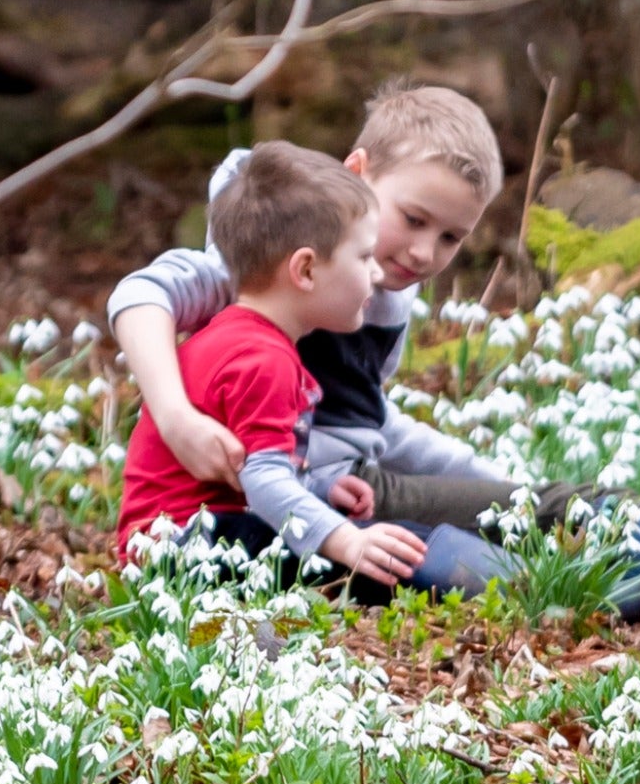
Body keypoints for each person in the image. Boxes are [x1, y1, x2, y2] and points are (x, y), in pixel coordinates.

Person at [109, 82, 640, 616]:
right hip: (298, 512)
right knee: (547, 528)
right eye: (412, 220)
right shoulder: (285, 255)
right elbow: (144, 296)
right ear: (359, 172)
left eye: (451, 238)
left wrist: (481, 478)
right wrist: (176, 417)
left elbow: (364, 419)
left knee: (534, 509)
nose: (421, 253)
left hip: (334, 495)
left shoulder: (381, 294)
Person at [114, 141, 432, 587]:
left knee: (347, 548)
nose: (377, 276)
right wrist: (345, 541)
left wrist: (319, 491)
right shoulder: (263, 360)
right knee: (364, 562)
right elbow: (262, 482)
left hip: (177, 536)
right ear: (304, 270)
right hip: (181, 544)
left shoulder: (250, 339)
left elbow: (253, 471)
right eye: (363, 258)